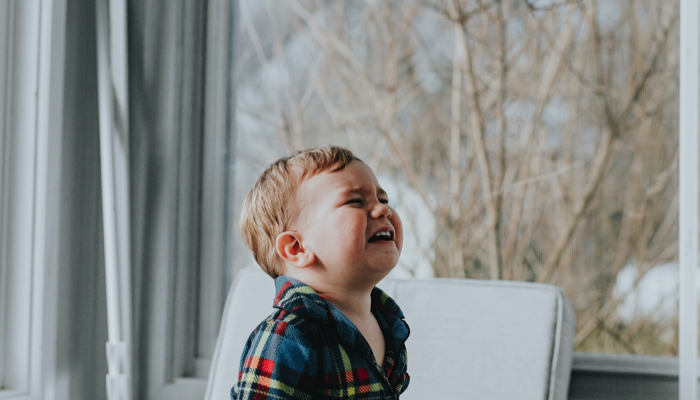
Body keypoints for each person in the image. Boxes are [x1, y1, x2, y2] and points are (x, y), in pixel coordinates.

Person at [231, 146, 410, 400]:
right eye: (355, 201)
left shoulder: (389, 325)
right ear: (297, 248)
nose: (383, 210)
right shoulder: (287, 336)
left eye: (383, 200)